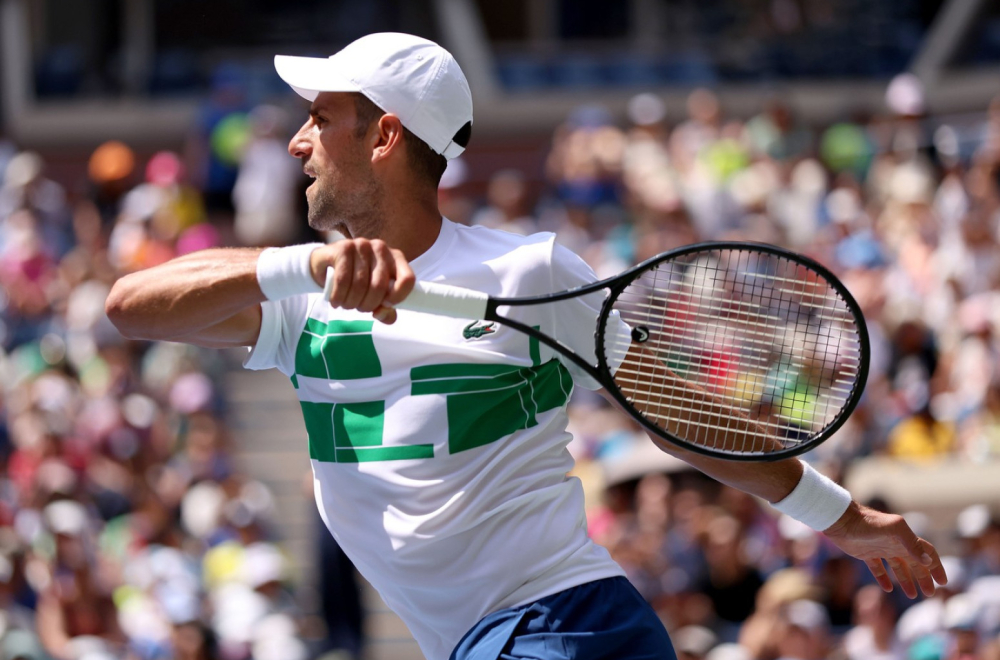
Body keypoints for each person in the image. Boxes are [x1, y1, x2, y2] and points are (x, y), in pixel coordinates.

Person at [105, 32, 948, 660]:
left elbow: (679, 418)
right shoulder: (299, 298)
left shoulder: (530, 270)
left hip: (564, 624)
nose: (298, 141)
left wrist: (841, 518)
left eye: (320, 119)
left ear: (386, 137)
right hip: (485, 642)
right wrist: (305, 264)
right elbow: (131, 307)